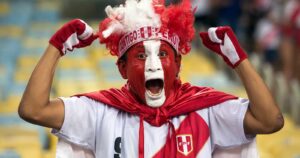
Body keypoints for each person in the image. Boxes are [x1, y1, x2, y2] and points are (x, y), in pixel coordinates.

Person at [18, 0, 284, 157]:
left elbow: (270, 120)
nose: (153, 65)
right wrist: (56, 47)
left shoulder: (206, 109)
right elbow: (33, 110)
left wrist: (239, 61)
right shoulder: (100, 111)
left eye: (164, 54)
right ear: (122, 69)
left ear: (178, 63)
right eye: (141, 56)